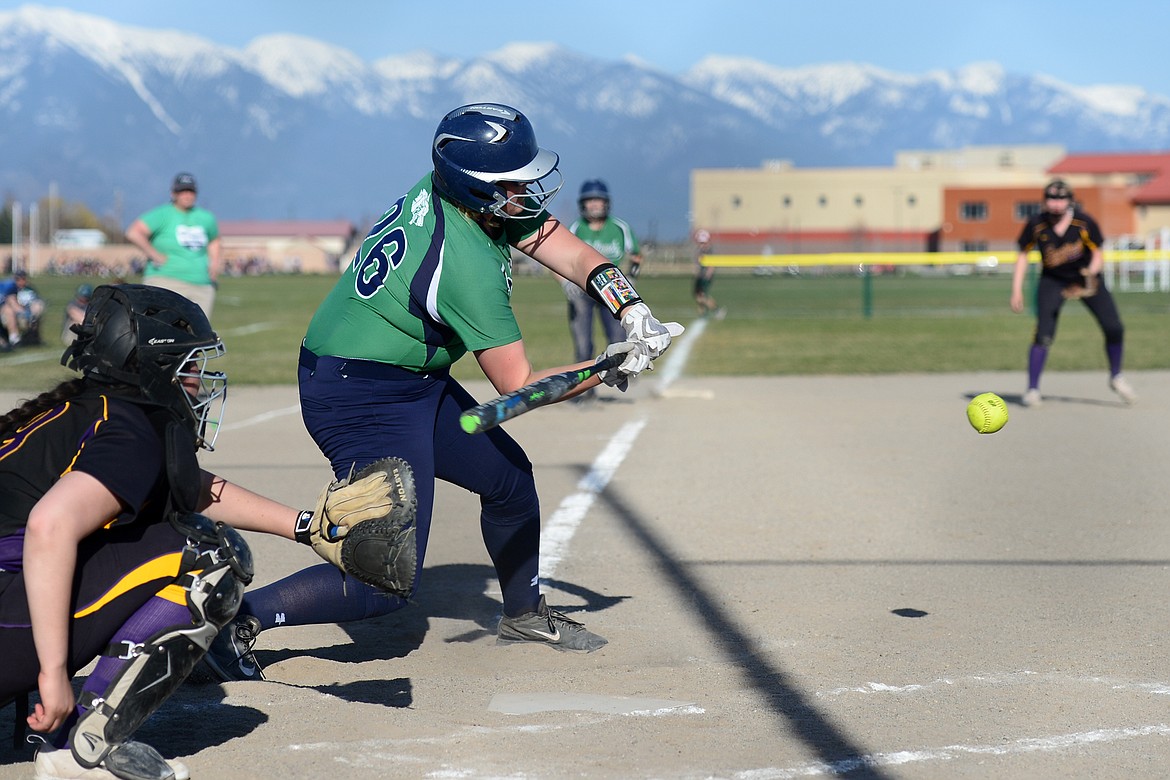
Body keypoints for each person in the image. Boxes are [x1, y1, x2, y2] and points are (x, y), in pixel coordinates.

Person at [201, 102, 683, 681]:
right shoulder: (465, 261)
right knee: (385, 580)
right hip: (359, 391)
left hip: (406, 378)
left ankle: (524, 613)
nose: (528, 189)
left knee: (507, 481)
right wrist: (604, 367)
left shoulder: (457, 194)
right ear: (477, 189)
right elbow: (516, 387)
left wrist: (630, 308)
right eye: (514, 180)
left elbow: (574, 253)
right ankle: (236, 619)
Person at [0, 284, 399, 780]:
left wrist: (305, 526)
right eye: (190, 364)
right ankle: (82, 750)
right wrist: (53, 674)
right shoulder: (129, 427)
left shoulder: (74, 411)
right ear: (154, 366)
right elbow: (50, 525)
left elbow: (190, 489)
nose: (199, 378)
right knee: (210, 555)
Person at [1010, 179, 1136, 407]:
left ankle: (1116, 376)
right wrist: (1016, 290)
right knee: (1043, 333)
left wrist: (1092, 273)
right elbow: (1022, 255)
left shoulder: (1084, 222)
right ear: (1044, 200)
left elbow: (1098, 253)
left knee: (1114, 326)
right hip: (1053, 280)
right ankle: (1032, 389)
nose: (1056, 204)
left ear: (1070, 201)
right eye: (1051, 198)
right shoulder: (1037, 224)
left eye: (1061, 199)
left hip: (1085, 279)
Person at [562, 179, 642, 367]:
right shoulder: (575, 228)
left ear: (606, 202)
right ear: (583, 204)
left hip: (613, 290)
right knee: (583, 345)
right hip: (582, 290)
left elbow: (636, 256)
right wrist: (566, 283)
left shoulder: (620, 227)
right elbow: (557, 260)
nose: (595, 204)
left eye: (598, 200)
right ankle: (583, 391)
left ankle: (619, 380)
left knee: (618, 340)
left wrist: (631, 278)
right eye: (590, 200)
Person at [125, 173, 222, 319]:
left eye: (190, 191)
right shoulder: (162, 214)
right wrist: (154, 254)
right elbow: (134, 232)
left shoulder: (206, 217)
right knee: (162, 329)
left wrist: (215, 262)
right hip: (166, 280)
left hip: (201, 283)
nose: (187, 195)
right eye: (182, 191)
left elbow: (214, 240)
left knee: (199, 334)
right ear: (173, 193)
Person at [1, 271, 46, 348]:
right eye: (18, 279)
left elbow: (36, 301)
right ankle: (14, 339)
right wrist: (25, 314)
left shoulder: (30, 289)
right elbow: (12, 302)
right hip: (11, 315)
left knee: (38, 305)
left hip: (26, 313)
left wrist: (32, 313)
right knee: (8, 310)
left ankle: (34, 336)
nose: (21, 281)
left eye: (23, 279)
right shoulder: (11, 288)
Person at [692, 229, 722, 317]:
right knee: (698, 296)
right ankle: (702, 313)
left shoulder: (709, 251)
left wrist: (707, 276)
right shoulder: (700, 251)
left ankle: (716, 310)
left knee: (702, 296)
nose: (702, 245)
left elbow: (711, 266)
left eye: (703, 243)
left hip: (705, 277)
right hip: (700, 276)